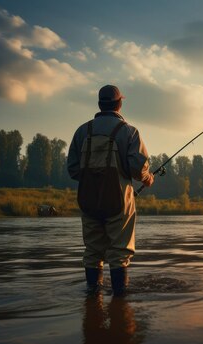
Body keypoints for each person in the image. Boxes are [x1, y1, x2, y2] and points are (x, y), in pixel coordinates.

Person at [67, 85, 154, 296]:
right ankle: (120, 302)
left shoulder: (82, 131)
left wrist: (94, 180)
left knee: (92, 252)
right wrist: (148, 178)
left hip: (88, 202)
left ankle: (92, 298)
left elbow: (73, 170)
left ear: (99, 104)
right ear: (119, 104)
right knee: (119, 253)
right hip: (119, 202)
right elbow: (137, 169)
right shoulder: (129, 132)